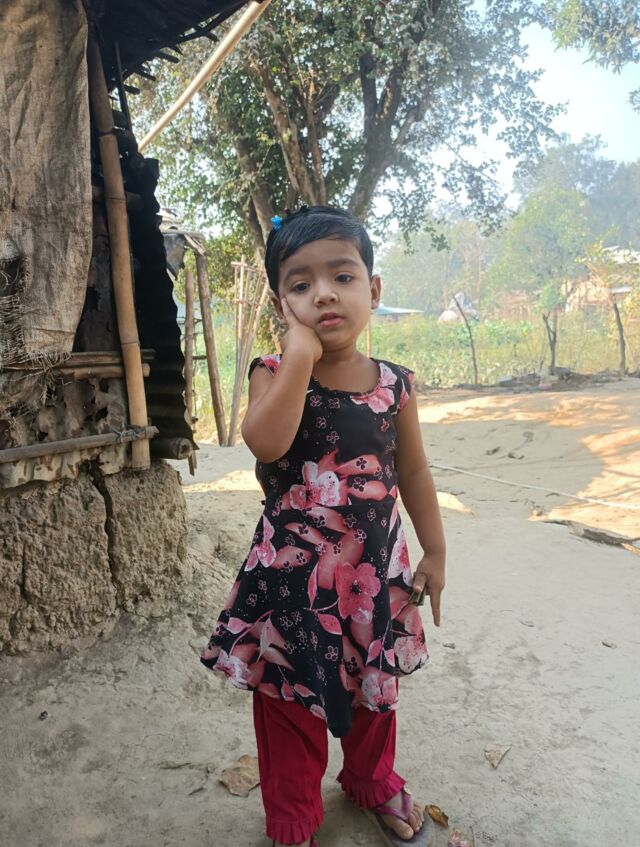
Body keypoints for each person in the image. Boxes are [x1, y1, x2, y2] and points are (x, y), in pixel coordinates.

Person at [201, 205, 446, 847]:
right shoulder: (272, 372)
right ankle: (293, 817)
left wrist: (436, 551)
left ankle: (372, 779)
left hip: (372, 575)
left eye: (342, 276)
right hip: (291, 580)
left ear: (374, 288)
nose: (324, 294)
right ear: (280, 304)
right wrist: (299, 357)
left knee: (374, 690)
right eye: (301, 284)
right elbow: (266, 443)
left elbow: (414, 472)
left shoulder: (395, 386)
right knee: (287, 700)